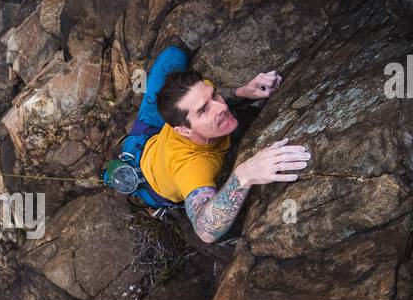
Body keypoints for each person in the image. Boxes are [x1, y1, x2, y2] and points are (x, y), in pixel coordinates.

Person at [107, 45, 311, 244]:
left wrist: (242, 92)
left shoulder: (196, 98)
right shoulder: (190, 167)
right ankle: (110, 174)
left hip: (148, 132)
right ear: (184, 130)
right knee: (109, 176)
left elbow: (206, 99)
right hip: (149, 179)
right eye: (203, 110)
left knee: (174, 54)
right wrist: (244, 176)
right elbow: (205, 231)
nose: (221, 107)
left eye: (214, 95)